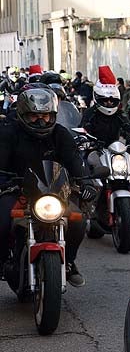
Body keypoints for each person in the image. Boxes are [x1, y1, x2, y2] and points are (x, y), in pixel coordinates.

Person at [0, 85, 95, 287]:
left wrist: (86, 180)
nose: (41, 120)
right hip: (18, 191)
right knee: (2, 220)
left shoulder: (60, 134)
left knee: (78, 221)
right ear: (23, 114)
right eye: (35, 116)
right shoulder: (9, 133)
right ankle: (2, 260)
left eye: (46, 116)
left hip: (52, 192)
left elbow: (75, 160)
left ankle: (68, 262)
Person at [81, 66, 130, 148]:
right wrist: (84, 139)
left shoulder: (119, 114)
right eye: (105, 100)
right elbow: (83, 129)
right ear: (97, 98)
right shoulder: (90, 113)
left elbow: (128, 127)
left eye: (112, 100)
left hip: (116, 151)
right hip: (94, 151)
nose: (109, 103)